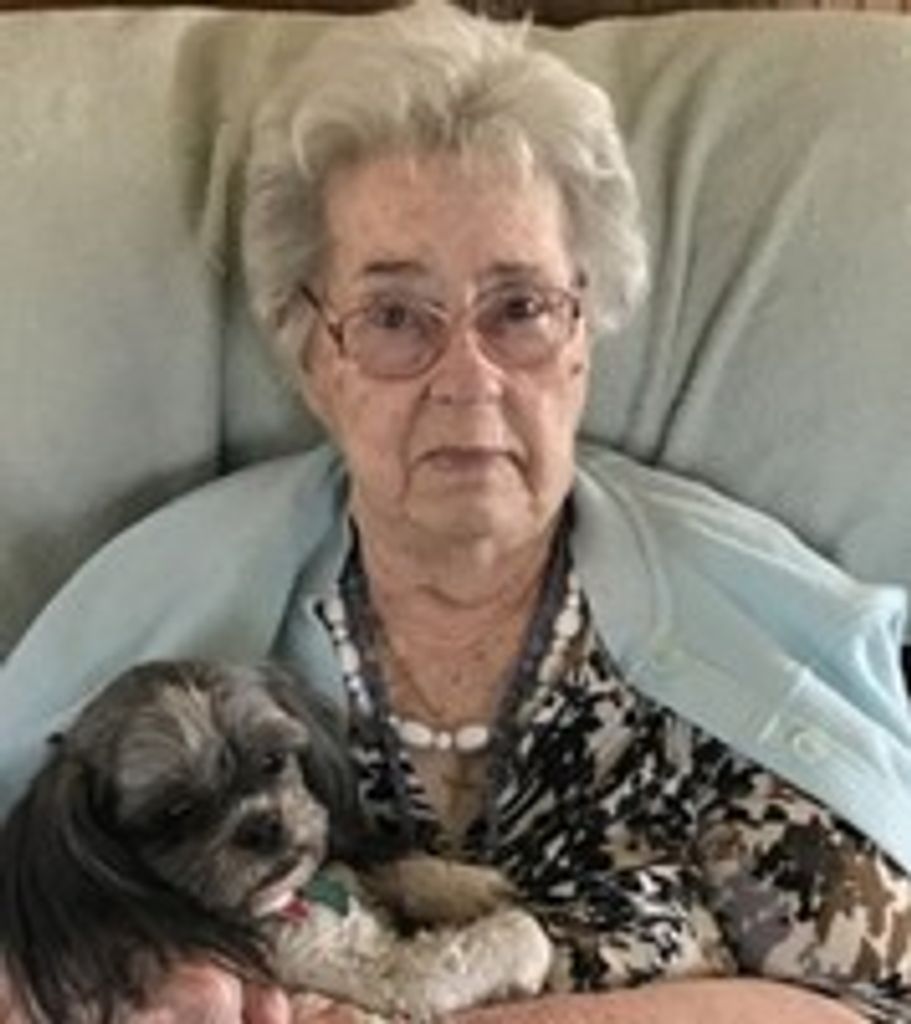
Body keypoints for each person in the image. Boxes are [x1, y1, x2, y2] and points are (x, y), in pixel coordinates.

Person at [2, 2, 911, 1022]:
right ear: (313, 354)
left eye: (518, 309)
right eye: (395, 316)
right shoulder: (159, 593)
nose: (467, 379)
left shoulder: (758, 618)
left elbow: (877, 994)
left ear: (583, 334)